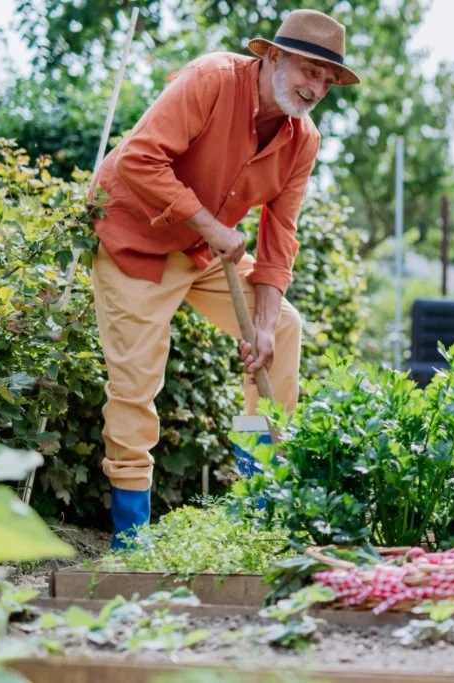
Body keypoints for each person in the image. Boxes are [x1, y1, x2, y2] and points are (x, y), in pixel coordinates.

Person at [91, 10, 360, 548]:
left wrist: (259, 324)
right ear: (274, 56)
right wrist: (211, 225)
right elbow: (139, 160)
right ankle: (131, 535)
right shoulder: (213, 79)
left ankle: (261, 503)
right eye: (309, 70)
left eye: (327, 81)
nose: (316, 88)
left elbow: (279, 234)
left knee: (282, 329)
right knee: (136, 380)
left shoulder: (302, 139)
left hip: (200, 249)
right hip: (132, 239)